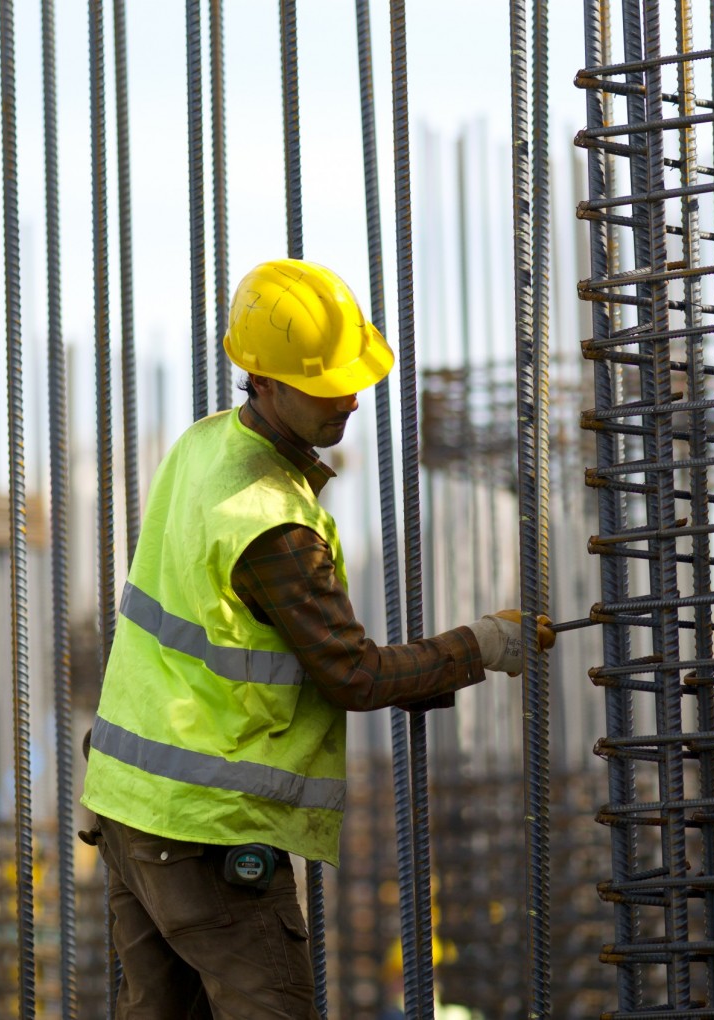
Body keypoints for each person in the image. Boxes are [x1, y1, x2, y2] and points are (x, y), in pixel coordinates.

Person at [79, 259, 556, 1019]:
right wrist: (484, 646)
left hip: (129, 808)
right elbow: (353, 675)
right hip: (208, 831)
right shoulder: (273, 523)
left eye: (350, 380)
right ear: (264, 382)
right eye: (325, 386)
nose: (350, 400)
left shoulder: (204, 445)